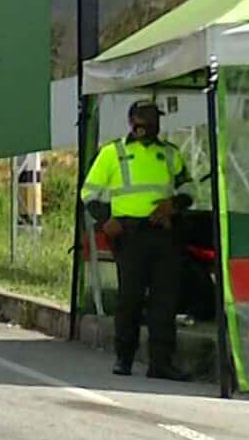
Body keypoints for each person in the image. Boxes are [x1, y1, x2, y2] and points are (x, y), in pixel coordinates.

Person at [81, 99, 192, 380]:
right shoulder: (112, 153)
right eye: (145, 119)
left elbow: (190, 189)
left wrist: (173, 205)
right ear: (133, 122)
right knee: (130, 298)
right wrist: (107, 220)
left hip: (163, 232)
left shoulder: (169, 154)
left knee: (165, 300)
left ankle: (161, 363)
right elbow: (88, 194)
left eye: (154, 119)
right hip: (129, 235)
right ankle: (124, 358)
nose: (151, 124)